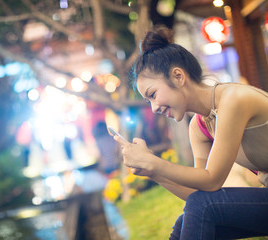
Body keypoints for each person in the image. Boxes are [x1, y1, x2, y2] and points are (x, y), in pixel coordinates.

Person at [114, 25, 268, 239]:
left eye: (153, 94)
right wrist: (154, 173)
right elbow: (200, 194)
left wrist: (155, 163)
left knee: (201, 207)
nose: (154, 108)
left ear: (178, 76)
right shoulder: (200, 126)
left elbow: (212, 180)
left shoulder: (233, 100)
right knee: (185, 219)